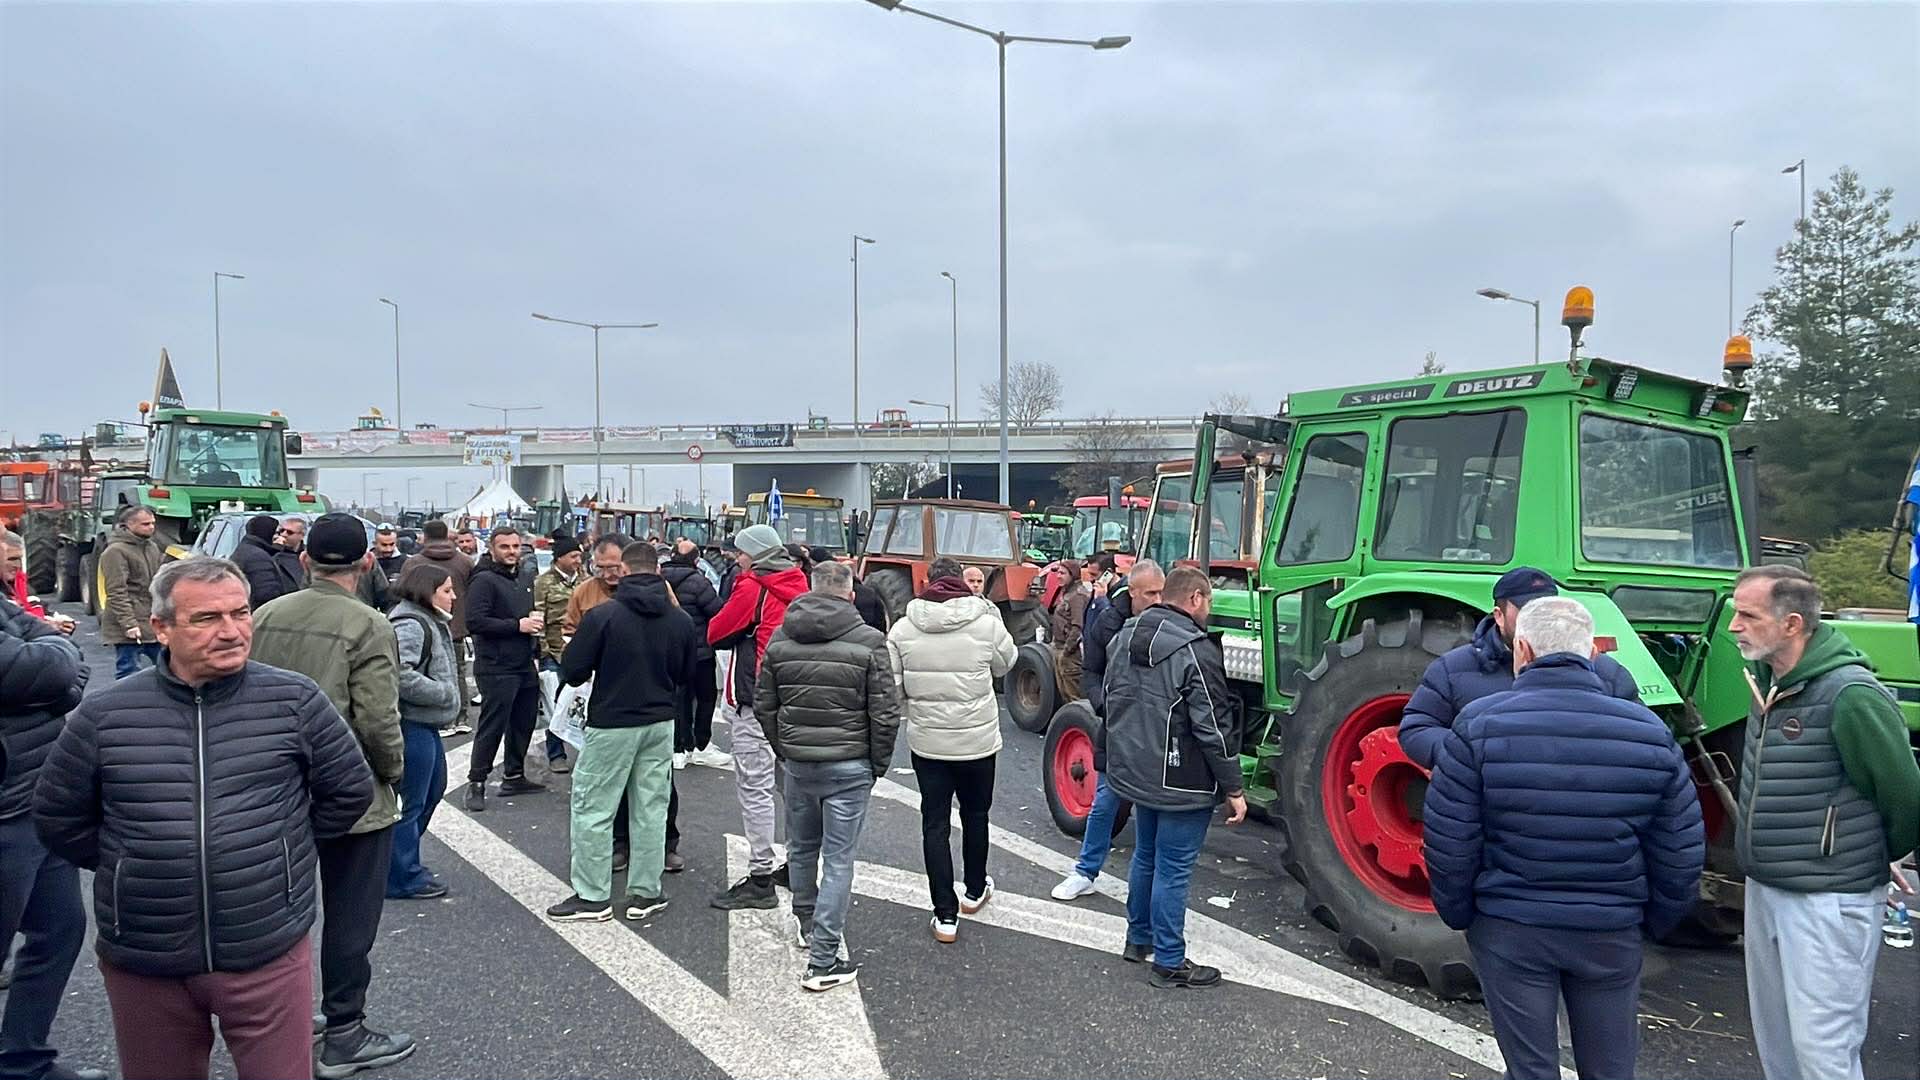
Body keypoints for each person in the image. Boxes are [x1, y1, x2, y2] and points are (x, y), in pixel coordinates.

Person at [34, 556, 375, 1080]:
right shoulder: (105, 716)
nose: (231, 631)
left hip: (265, 948)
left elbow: (347, 792)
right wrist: (131, 860)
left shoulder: (293, 701)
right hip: (147, 958)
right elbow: (60, 817)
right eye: (207, 619)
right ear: (161, 628)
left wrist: (277, 849)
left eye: (241, 613)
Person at [1422, 597, 1705, 1080]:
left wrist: (1464, 915)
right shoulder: (1649, 732)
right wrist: (1650, 921)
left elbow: (1451, 839)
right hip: (1610, 930)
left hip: (1511, 925)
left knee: (1531, 1070)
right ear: (1593, 652)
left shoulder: (1477, 725)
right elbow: (1679, 848)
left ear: (1523, 650)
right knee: (1612, 1069)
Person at [1728, 565, 1920, 1080]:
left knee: (1822, 1050)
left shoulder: (1850, 694)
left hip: (1827, 898)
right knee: (1778, 1044)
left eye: (1747, 615)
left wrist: (1881, 853)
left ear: (1792, 624)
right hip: (1767, 887)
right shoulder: (1769, 682)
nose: (1734, 626)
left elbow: (1905, 795)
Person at [248, 513, 414, 1077]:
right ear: (368, 561)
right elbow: (376, 718)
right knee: (350, 918)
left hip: (272, 791)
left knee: (279, 910)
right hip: (351, 793)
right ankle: (345, 1030)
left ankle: (283, 1014)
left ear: (304, 560)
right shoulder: (369, 624)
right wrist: (393, 775)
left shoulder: (264, 615)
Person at [754, 560, 901, 991]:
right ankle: (823, 960)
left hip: (798, 763)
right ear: (850, 594)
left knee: (800, 848)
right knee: (838, 860)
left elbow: (765, 704)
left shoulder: (782, 638)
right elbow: (885, 712)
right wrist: (876, 764)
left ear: (810, 589)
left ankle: (805, 921)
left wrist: (786, 750)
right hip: (849, 764)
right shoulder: (871, 641)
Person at [1098, 566, 1243, 988]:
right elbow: (1213, 727)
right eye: (1209, 602)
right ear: (1195, 599)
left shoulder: (1125, 635)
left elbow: (1111, 699)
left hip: (1138, 769)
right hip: (1184, 776)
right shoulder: (1196, 650)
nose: (1208, 610)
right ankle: (1169, 959)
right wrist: (1233, 786)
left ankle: (1137, 938)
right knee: (1174, 867)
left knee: (1146, 855)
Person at [549, 542, 695, 923]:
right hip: (660, 721)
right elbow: (685, 674)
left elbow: (574, 670)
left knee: (594, 807)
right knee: (651, 807)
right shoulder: (680, 621)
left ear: (625, 572)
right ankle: (646, 891)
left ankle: (593, 895)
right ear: (659, 572)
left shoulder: (603, 616)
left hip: (612, 721)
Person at [887, 556, 1016, 943]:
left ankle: (945, 915)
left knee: (935, 824)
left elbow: (894, 689)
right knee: (976, 816)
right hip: (977, 743)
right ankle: (975, 891)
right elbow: (1006, 664)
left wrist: (919, 713)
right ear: (962, 581)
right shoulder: (986, 622)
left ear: (926, 581)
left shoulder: (903, 629)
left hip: (928, 745)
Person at [1, 589, 102, 1080]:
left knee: (59, 930)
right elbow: (44, 663)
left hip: (32, 801)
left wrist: (54, 663)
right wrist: (56, 662)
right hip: (3, 812)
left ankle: (22, 1058)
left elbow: (52, 659)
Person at [1399, 567, 1641, 770]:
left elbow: (1640, 737)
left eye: (1545, 609)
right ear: (1499, 615)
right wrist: (1472, 757)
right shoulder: (1452, 669)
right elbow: (1418, 728)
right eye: (1527, 610)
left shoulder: (1609, 674)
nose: (1537, 619)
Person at [707, 524, 810, 909]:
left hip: (755, 698)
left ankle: (761, 876)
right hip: (795, 699)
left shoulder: (753, 585)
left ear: (756, 554)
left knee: (755, 789)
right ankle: (797, 863)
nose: (737, 558)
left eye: (741, 552)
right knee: (793, 789)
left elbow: (717, 631)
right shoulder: (798, 580)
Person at [1052, 559, 1163, 901]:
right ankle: (1085, 871)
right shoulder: (1106, 623)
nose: (1158, 600)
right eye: (1150, 594)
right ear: (1133, 593)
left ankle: (1153, 883)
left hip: (1158, 727)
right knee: (1105, 803)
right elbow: (1092, 672)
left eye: (1162, 592)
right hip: (1119, 725)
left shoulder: (1170, 621)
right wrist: (1105, 706)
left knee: (1155, 809)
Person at [385, 563, 460, 901]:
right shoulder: (411, 623)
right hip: (411, 722)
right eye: (446, 590)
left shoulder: (425, 619)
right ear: (428, 592)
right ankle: (400, 875)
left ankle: (403, 866)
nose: (454, 595)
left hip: (424, 722)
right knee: (412, 801)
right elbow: (399, 675)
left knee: (430, 791)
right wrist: (443, 692)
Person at [463, 526, 546, 810]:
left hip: (524, 662)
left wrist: (534, 638)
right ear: (492, 549)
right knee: (492, 725)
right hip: (496, 666)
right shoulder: (483, 580)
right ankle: (476, 782)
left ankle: (514, 774)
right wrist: (516, 626)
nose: (512, 552)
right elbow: (474, 621)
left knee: (524, 722)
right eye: (505, 547)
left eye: (515, 546)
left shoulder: (524, 577)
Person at [406, 520, 475, 736]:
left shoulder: (413, 563)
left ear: (424, 537)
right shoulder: (464, 562)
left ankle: (442, 719)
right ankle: (461, 717)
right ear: (447, 536)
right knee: (458, 671)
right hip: (456, 626)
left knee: (426, 672)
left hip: (423, 626)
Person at [663, 539, 727, 770]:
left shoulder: (659, 579)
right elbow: (717, 612)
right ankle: (700, 744)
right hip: (700, 651)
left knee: (678, 699)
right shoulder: (700, 582)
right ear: (696, 560)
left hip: (669, 651)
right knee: (706, 698)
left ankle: (678, 746)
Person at [534, 535, 585, 774]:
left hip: (582, 652)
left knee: (583, 703)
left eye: (579, 555)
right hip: (554, 653)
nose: (578, 560)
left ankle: (587, 752)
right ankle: (556, 754)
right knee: (556, 706)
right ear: (560, 558)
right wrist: (544, 653)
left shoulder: (586, 581)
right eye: (573, 556)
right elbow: (539, 618)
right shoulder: (543, 582)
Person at [98, 504, 163, 678]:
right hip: (128, 624)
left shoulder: (151, 548)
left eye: (152, 523)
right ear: (129, 525)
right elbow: (116, 591)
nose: (151, 527)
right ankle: (127, 704)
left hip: (150, 619)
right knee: (129, 672)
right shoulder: (115, 552)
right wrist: (129, 624)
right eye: (145, 524)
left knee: (168, 668)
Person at [231, 514, 297, 609]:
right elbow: (266, 595)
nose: (280, 536)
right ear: (268, 533)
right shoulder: (258, 558)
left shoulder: (247, 549)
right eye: (277, 532)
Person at [1048, 559, 1091, 701]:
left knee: (1073, 697)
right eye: (1058, 572)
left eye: (1063, 573)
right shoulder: (1068, 592)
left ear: (1072, 575)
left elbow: (1078, 626)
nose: (1058, 576)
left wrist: (1066, 651)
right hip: (1062, 648)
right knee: (1065, 694)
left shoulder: (1077, 596)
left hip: (1071, 653)